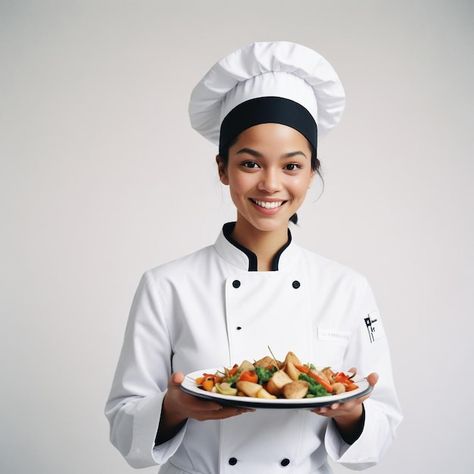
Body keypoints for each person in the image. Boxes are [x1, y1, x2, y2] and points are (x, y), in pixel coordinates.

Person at [104, 40, 402, 473]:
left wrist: (350, 412)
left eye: (292, 166)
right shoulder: (166, 285)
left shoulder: (347, 288)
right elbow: (123, 424)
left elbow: (383, 427)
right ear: (222, 168)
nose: (270, 184)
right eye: (250, 163)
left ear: (311, 172)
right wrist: (173, 407)